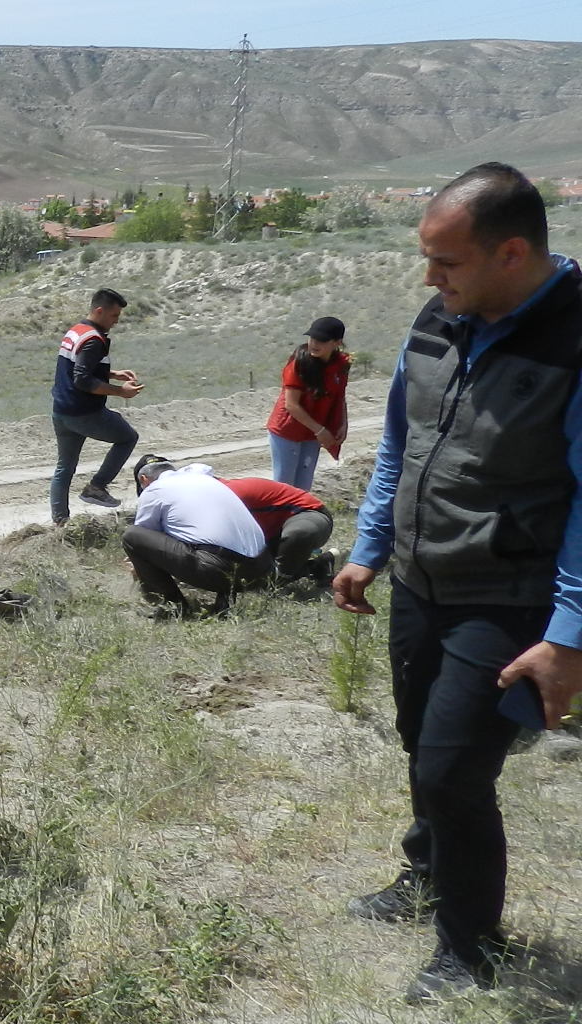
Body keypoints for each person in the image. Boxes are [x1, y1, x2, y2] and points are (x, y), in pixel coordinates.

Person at [333, 162, 582, 1003]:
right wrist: (370, 546)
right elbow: (401, 444)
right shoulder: (440, 320)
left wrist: (569, 636)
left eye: (447, 262)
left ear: (512, 253)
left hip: (511, 595)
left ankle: (471, 946)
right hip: (420, 577)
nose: (430, 279)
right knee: (421, 743)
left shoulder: (574, 339)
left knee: (453, 770)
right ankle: (428, 873)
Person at [123, 457, 269, 617]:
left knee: (132, 537)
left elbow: (146, 541)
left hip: (220, 570)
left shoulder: (154, 490)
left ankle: (170, 606)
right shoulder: (205, 480)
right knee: (212, 540)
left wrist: (139, 569)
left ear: (143, 479)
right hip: (262, 570)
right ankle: (225, 601)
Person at [49, 288, 144, 524]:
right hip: (84, 413)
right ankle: (97, 486)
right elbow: (82, 379)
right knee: (127, 438)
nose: (116, 321)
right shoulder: (94, 339)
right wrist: (120, 391)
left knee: (65, 467)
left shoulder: (77, 330)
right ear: (99, 311)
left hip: (61, 411)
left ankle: (60, 522)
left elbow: (78, 368)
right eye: (113, 316)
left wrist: (112, 374)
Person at [266, 316, 351, 490]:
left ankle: (299, 517)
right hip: (287, 431)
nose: (314, 343)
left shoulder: (341, 365)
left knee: (303, 488)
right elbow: (291, 405)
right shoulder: (301, 363)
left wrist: (343, 424)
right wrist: (320, 431)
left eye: (321, 340)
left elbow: (339, 396)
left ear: (337, 342)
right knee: (284, 487)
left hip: (312, 433)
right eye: (312, 338)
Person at [217, 474, 334, 582]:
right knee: (248, 576)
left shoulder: (229, 494)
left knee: (298, 534)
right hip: (271, 535)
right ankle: (318, 567)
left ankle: (280, 580)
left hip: (309, 514)